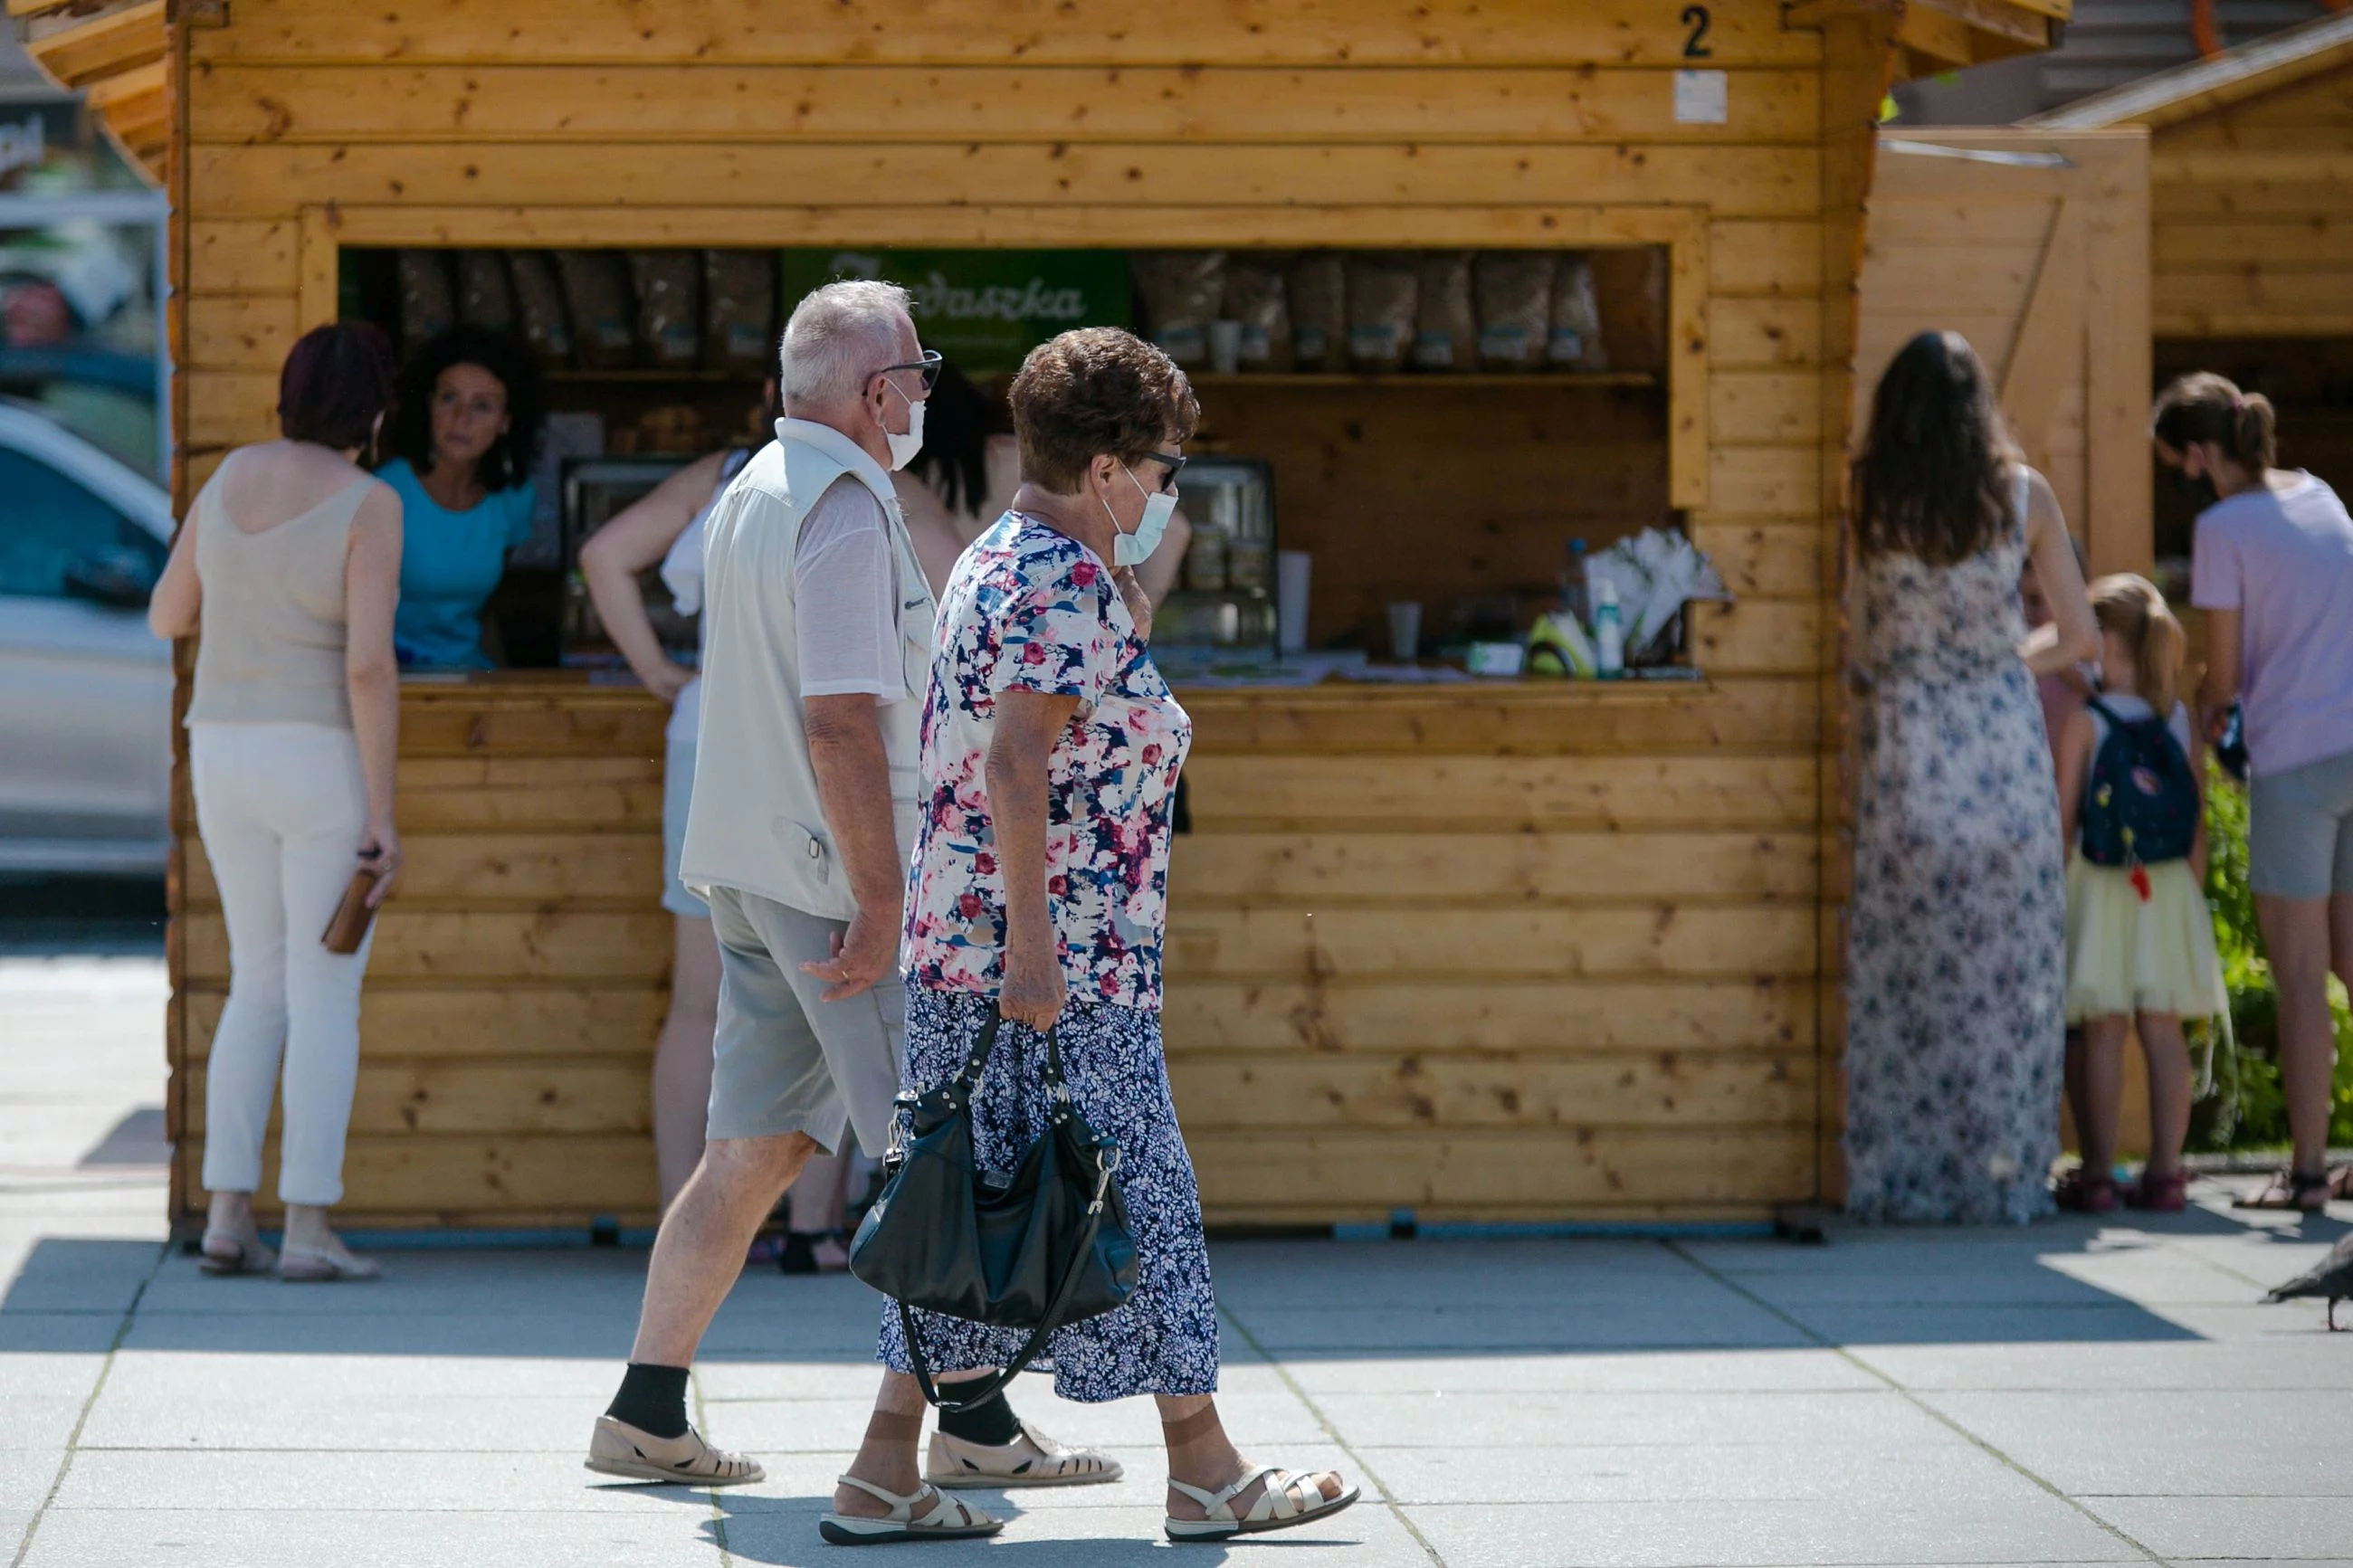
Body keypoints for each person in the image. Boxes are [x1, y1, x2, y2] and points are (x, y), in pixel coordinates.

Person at [823, 327, 1357, 1546]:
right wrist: (1036, 958)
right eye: (1166, 466)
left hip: (985, 951)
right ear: (1111, 466)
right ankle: (1206, 1468)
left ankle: (879, 1471)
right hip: (1059, 964)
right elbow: (1016, 766)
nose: (1169, 491)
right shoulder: (1060, 582)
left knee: (961, 1195)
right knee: (1145, 1198)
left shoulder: (1003, 560)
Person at [586, 281, 1110, 1487]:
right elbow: (839, 726)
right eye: (919, 375)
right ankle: (973, 1432)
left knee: (755, 1155)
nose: (930, 393)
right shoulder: (840, 507)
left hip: (760, 872)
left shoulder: (751, 491)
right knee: (942, 1147)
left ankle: (644, 1413)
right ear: (878, 393)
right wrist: (884, 904)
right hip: (838, 887)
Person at [145, 322, 405, 1282]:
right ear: (373, 410)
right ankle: (304, 1228)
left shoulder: (228, 479)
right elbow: (369, 666)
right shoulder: (369, 502)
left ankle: (224, 1216)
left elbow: (167, 614)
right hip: (320, 761)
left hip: (221, 748)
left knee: (256, 983)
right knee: (325, 993)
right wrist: (383, 815)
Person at [577, 394, 860, 1267]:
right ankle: (814, 1228)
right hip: (813, 746)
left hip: (707, 737)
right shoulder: (857, 485)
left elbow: (602, 555)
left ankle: (687, 1223)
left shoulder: (725, 473)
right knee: (834, 994)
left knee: (698, 1001)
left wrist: (662, 672)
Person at [1843, 330, 2100, 1224]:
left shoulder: (1869, 496)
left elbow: (1864, 635)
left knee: (1905, 971)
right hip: (1996, 739)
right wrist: (2000, 655)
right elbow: (2078, 635)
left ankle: (1901, 1175)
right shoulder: (2019, 494)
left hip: (1908, 743)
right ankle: (1996, 1173)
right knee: (2003, 969)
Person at [2156, 372, 2353, 1212]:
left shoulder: (2224, 528)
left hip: (2298, 759)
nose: (2185, 479)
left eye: (2180, 465)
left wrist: (2200, 711)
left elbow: (2227, 677)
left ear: (2202, 454)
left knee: (2302, 975)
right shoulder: (2321, 495)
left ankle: (2307, 1174)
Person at [2053, 575, 2226, 1214]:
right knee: (2163, 1030)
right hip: (2168, 889)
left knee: (2102, 1029)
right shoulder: (2175, 717)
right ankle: (2166, 1170)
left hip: (2102, 884)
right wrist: (2191, 893)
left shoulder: (2085, 722)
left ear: (2105, 643)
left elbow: (2063, 820)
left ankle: (2098, 1172)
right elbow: (2197, 821)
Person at [895, 360, 1191, 602]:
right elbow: (1175, 530)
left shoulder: (909, 487)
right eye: (1167, 472)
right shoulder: (1018, 455)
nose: (1170, 488)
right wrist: (1133, 620)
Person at [378, 326, 544, 670]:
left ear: (506, 422)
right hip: (388, 680)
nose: (461, 419)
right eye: (449, 398)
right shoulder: (382, 492)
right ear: (429, 406)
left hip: (470, 675)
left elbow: (485, 611)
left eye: (482, 406)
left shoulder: (513, 498)